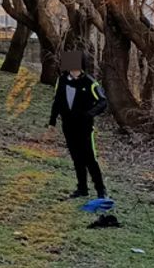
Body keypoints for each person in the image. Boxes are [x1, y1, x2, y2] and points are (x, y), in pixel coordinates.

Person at [48, 50, 108, 199]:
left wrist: (89, 114)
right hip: (68, 126)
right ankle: (82, 188)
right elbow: (57, 101)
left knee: (89, 158)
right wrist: (52, 122)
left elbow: (103, 102)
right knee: (76, 158)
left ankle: (101, 191)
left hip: (85, 127)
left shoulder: (89, 82)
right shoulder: (61, 80)